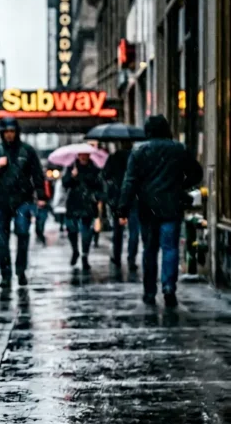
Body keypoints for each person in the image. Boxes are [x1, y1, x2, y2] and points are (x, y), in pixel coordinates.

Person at [118, 115, 202, 308]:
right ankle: (168, 287)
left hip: (148, 208)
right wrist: (179, 185)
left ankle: (149, 292)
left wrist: (123, 207)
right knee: (170, 248)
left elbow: (129, 182)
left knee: (149, 250)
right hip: (171, 207)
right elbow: (196, 173)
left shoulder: (139, 151)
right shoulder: (178, 149)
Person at [0, 117, 47, 288]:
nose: (9, 135)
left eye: (12, 131)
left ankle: (21, 270)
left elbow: (37, 174)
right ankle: (6, 274)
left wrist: (41, 196)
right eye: (6, 132)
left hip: (22, 200)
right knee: (2, 240)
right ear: (2, 133)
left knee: (23, 233)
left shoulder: (27, 151)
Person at [61, 152, 104, 271]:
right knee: (72, 229)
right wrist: (72, 176)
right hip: (73, 204)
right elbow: (65, 183)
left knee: (87, 232)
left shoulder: (94, 169)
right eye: (81, 155)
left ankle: (85, 255)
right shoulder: (71, 167)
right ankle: (75, 250)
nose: (83, 157)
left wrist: (96, 197)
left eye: (85, 155)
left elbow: (100, 186)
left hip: (88, 204)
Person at [103, 141, 139, 270]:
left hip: (118, 199)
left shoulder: (114, 158)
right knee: (134, 231)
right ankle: (131, 258)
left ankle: (117, 257)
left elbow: (105, 175)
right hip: (134, 198)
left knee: (118, 230)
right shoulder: (137, 157)